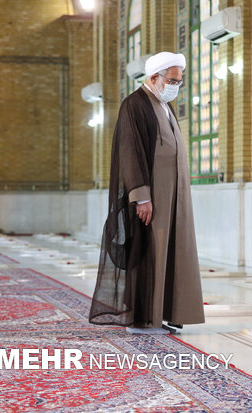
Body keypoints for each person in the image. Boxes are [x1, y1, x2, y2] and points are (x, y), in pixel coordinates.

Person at [89, 52, 205, 334]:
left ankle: (163, 313)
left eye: (179, 81)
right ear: (154, 78)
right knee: (150, 252)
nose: (176, 85)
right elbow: (130, 152)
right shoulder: (135, 104)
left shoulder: (163, 104)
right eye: (172, 80)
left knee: (172, 252)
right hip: (152, 199)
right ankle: (143, 319)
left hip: (172, 196)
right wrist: (142, 196)